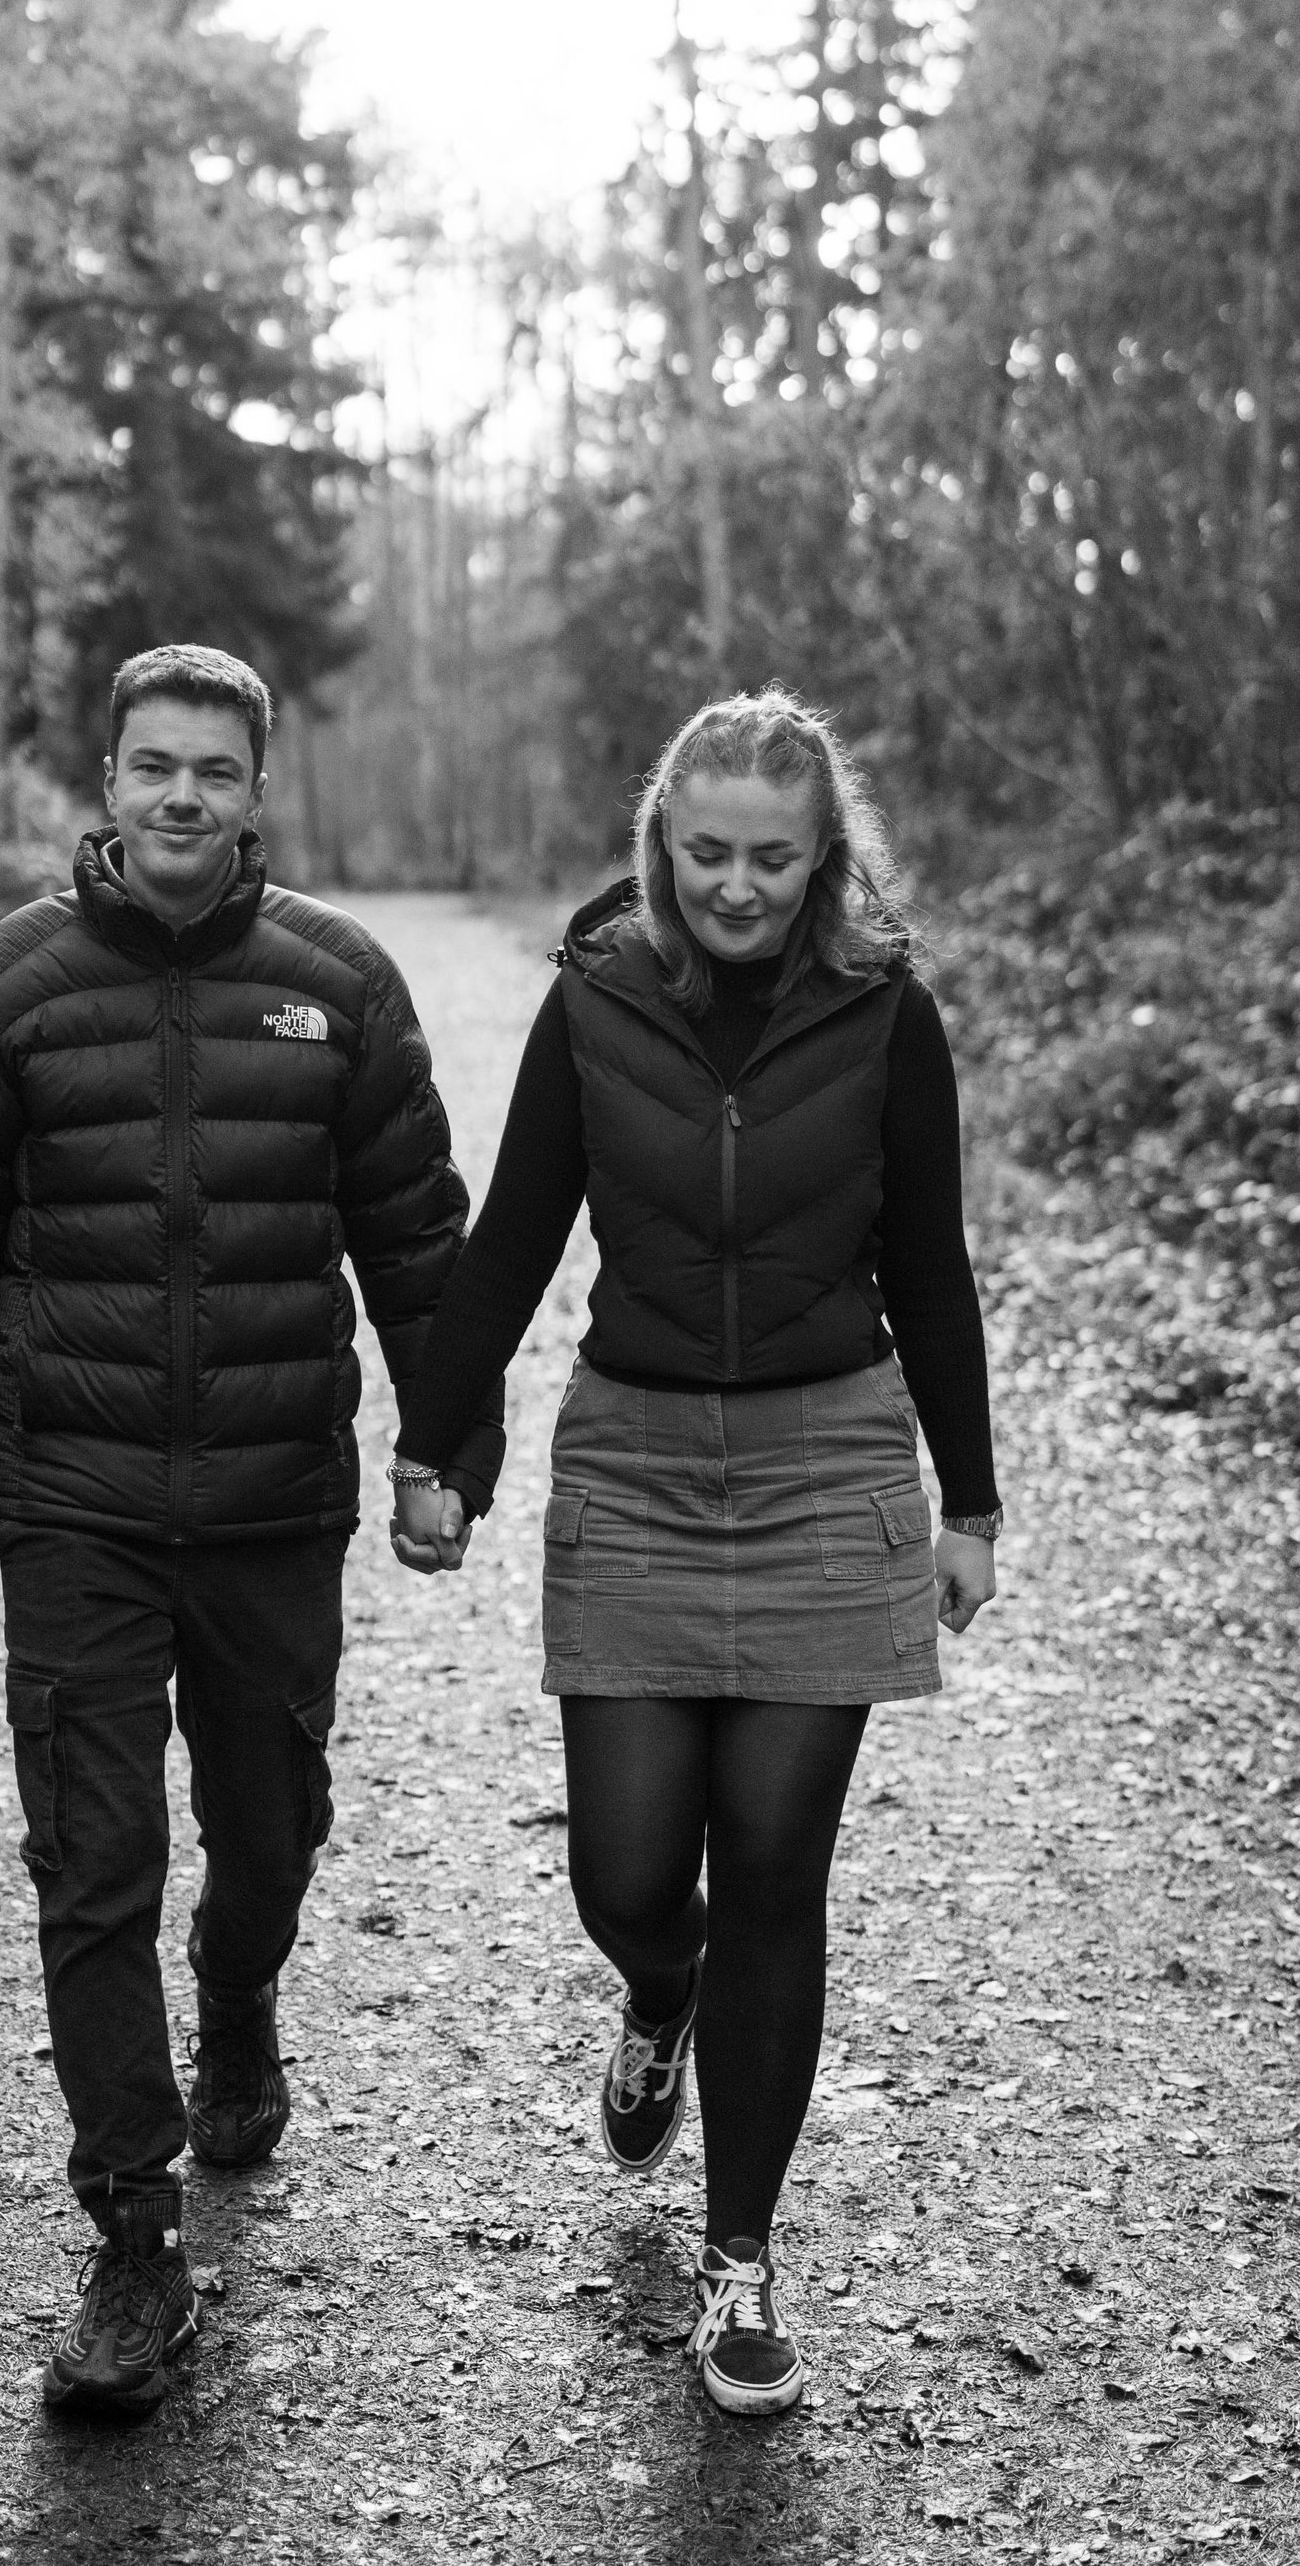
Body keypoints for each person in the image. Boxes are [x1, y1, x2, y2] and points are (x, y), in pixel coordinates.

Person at [0, 644, 501, 2418]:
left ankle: (240, 1993)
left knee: (269, 1827)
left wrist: (447, 1452)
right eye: (155, 764)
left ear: (256, 791)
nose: (182, 797)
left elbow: (421, 1245)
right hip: (72, 1499)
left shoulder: (337, 986)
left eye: (214, 770)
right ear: (109, 779)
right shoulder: (6, 990)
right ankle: (134, 2238)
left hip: (274, 1500)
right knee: (93, 1855)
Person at [388, 688, 1000, 2420]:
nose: (738, 886)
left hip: (827, 1462)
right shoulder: (599, 994)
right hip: (640, 1462)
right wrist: (432, 1445)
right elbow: (516, 1231)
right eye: (710, 851)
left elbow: (931, 1261)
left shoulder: (887, 1013)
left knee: (778, 1871)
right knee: (629, 1869)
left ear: (823, 858)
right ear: (665, 839)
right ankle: (661, 1988)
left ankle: (740, 2264)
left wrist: (969, 1500)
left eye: (773, 859)